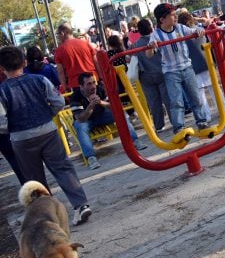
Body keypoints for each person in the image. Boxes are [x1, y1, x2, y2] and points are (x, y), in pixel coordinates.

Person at [0, 46, 92, 225]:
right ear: (25, 63)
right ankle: (80, 205)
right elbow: (58, 101)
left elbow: (1, 121)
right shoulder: (40, 80)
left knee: (34, 178)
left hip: (21, 138)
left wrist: (11, 128)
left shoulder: (2, 90)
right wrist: (47, 114)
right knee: (62, 168)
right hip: (47, 130)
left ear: (2, 69)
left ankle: (49, 217)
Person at [146, 3, 209, 135]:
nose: (175, 18)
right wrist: (151, 47)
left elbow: (194, 31)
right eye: (172, 15)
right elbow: (149, 54)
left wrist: (198, 30)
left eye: (175, 15)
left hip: (187, 67)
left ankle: (201, 121)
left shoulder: (180, 28)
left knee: (195, 96)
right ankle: (179, 127)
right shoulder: (156, 35)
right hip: (171, 72)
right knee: (176, 101)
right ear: (162, 19)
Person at [70, 72, 148, 170]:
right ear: (81, 86)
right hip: (86, 120)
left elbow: (114, 107)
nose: (93, 86)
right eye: (89, 84)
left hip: (102, 116)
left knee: (120, 114)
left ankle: (135, 141)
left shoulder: (99, 90)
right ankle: (91, 157)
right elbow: (81, 118)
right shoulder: (75, 97)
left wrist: (101, 102)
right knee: (80, 126)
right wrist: (90, 107)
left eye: (94, 82)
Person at [134, 18, 171, 133]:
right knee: (168, 98)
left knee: (154, 102)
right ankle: (175, 121)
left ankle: (159, 126)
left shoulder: (135, 45)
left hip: (145, 76)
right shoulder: (156, 39)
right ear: (151, 27)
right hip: (161, 71)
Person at [177, 12, 214, 122]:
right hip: (206, 62)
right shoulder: (200, 30)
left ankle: (206, 116)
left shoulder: (182, 36)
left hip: (193, 67)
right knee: (214, 89)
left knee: (200, 94)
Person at [54, 23, 98, 92]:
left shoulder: (59, 51)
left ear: (62, 33)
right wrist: (101, 78)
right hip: (93, 80)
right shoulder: (85, 43)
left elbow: (60, 72)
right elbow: (96, 62)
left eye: (57, 34)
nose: (58, 37)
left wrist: (65, 88)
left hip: (76, 84)